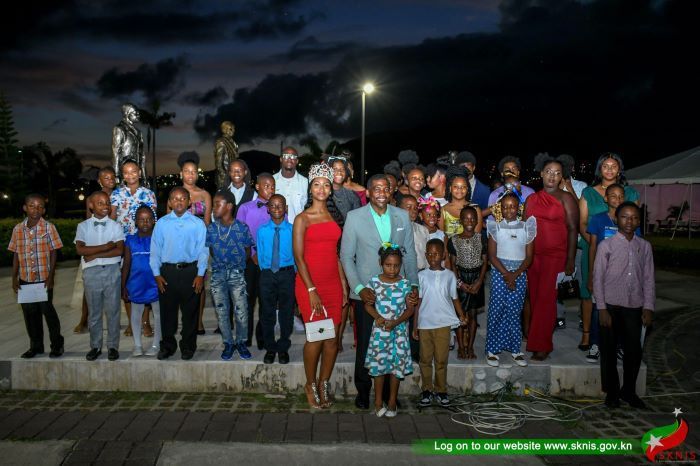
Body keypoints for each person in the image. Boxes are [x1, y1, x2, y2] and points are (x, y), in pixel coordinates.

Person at [340, 174, 419, 410]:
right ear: (368, 193)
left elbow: (410, 254)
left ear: (391, 191)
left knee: (393, 342)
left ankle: (387, 394)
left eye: (385, 188)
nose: (381, 192)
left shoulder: (401, 215)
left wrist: (413, 285)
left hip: (397, 293)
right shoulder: (355, 217)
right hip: (368, 294)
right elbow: (346, 256)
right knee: (367, 344)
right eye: (376, 188)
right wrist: (359, 288)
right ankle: (364, 391)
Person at [294, 163, 348, 409]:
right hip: (310, 285)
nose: (322, 188)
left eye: (326, 184)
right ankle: (310, 384)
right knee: (316, 338)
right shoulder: (302, 219)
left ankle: (324, 382)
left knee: (332, 340)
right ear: (310, 188)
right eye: (317, 184)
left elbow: (335, 255)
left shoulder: (334, 217)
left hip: (333, 284)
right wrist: (312, 290)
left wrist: (344, 285)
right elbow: (299, 258)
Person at [593, 202, 654, 409]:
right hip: (610, 306)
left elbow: (648, 278)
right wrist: (602, 308)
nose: (630, 221)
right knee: (609, 351)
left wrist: (648, 306)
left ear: (639, 221)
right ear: (616, 219)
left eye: (635, 217)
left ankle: (629, 391)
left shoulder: (644, 247)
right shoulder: (606, 246)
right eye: (625, 217)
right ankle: (612, 392)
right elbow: (598, 278)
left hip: (634, 306)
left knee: (633, 352)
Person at [579, 153, 639, 352]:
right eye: (605, 165)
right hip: (593, 246)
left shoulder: (630, 192)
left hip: (623, 252)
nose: (610, 169)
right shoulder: (589, 192)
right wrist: (600, 246)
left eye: (614, 166)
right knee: (590, 292)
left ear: (619, 169)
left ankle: (618, 339)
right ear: (600, 169)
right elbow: (582, 223)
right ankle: (588, 335)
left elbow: (634, 222)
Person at [525, 154, 579, 361]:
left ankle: (542, 345)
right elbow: (526, 230)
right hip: (533, 257)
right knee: (535, 298)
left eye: (557, 173)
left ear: (561, 176)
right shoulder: (531, 199)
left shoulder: (566, 198)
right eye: (548, 172)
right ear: (541, 174)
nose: (552, 176)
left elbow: (573, 229)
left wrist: (570, 260)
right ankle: (536, 339)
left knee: (546, 301)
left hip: (555, 257)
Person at [150, 187, 208, 360]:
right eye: (175, 198)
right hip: (167, 273)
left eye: (183, 198)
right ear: (169, 202)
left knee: (190, 313)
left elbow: (203, 250)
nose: (179, 201)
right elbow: (155, 250)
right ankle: (167, 346)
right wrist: (157, 274)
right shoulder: (162, 223)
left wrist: (200, 274)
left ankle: (188, 346)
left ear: (189, 202)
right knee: (167, 312)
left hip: (191, 272)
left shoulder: (197, 224)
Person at [9, 194, 64, 359]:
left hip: (43, 278)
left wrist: (51, 276)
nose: (36, 209)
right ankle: (36, 346)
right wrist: (14, 277)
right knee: (30, 314)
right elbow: (16, 254)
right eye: (32, 206)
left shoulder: (49, 228)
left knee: (48, 312)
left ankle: (57, 345)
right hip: (25, 279)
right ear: (25, 208)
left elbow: (53, 252)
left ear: (44, 210)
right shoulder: (18, 229)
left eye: (40, 206)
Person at [413, 239, 467, 407]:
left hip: (443, 324)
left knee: (441, 360)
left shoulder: (450, 276)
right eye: (429, 254)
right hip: (425, 324)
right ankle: (427, 390)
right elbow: (418, 303)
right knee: (425, 359)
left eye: (436, 254)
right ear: (425, 255)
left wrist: (462, 315)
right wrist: (415, 326)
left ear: (443, 255)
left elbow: (455, 298)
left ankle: (441, 390)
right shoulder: (421, 276)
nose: (432, 257)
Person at [484, 193, 536, 367]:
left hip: (519, 274)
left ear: (519, 208)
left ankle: (515, 348)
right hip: (500, 273)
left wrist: (515, 274)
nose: (509, 210)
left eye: (512, 206)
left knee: (514, 311)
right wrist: (507, 274)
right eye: (505, 206)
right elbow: (492, 256)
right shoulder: (495, 228)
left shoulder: (527, 227)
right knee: (497, 310)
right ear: (500, 209)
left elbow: (529, 257)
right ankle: (492, 349)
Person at [364, 244, 414, 417]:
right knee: (379, 367)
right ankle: (378, 401)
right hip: (380, 332)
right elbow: (368, 305)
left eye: (396, 266)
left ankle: (392, 401)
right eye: (388, 265)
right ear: (380, 263)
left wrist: (396, 322)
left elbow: (410, 309)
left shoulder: (405, 283)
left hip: (398, 332)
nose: (392, 269)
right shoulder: (374, 282)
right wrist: (378, 317)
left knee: (395, 368)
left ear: (401, 265)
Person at [75, 191, 125, 361]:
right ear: (91, 205)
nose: (105, 206)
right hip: (91, 273)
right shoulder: (83, 226)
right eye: (100, 203)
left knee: (113, 311)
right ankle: (95, 346)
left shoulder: (115, 226)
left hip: (112, 271)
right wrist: (105, 247)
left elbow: (119, 250)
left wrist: (94, 254)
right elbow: (80, 249)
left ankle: (113, 346)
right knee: (94, 312)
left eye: (107, 203)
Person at [110, 159, 157, 338]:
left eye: (133, 171)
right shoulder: (116, 194)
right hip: (124, 243)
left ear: (139, 172)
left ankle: (145, 322)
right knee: (128, 282)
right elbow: (112, 219)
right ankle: (132, 322)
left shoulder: (149, 194)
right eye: (126, 172)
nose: (130, 175)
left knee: (144, 281)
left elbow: (153, 220)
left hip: (143, 243)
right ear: (122, 175)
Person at [207, 190, 253, 360]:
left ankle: (241, 342)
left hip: (237, 274)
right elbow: (211, 250)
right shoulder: (212, 229)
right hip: (217, 274)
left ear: (229, 206)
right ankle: (228, 343)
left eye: (217, 204)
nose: (213, 208)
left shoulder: (242, 227)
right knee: (222, 312)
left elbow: (248, 250)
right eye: (213, 204)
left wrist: (237, 266)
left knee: (241, 311)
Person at [169, 152, 212, 335]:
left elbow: (207, 222)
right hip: (179, 246)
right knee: (181, 285)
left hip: (199, 244)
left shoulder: (204, 194)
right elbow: (169, 223)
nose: (190, 175)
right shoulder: (175, 194)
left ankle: (198, 321)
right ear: (181, 174)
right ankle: (186, 321)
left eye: (194, 171)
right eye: (187, 171)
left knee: (199, 282)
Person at [74, 166, 117, 334]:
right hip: (97, 243)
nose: (110, 180)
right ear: (99, 181)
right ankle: (84, 319)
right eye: (106, 177)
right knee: (90, 286)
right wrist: (93, 248)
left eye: (113, 177)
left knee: (119, 283)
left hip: (116, 241)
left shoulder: (120, 195)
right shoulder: (92, 198)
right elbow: (88, 221)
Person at [236, 173, 276, 349]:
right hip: (250, 261)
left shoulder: (277, 207)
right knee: (247, 301)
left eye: (273, 186)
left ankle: (263, 337)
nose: (270, 189)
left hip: (270, 262)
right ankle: (245, 337)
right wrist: (252, 253)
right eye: (266, 186)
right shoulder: (245, 208)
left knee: (267, 301)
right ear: (257, 187)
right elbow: (240, 233)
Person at [258, 194, 295, 364]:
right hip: (267, 274)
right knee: (267, 312)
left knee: (287, 312)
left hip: (287, 274)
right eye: (273, 205)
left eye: (280, 205)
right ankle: (270, 348)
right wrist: (266, 271)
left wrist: (293, 272)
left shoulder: (293, 230)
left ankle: (283, 347)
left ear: (285, 208)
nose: (277, 208)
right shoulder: (262, 230)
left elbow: (297, 253)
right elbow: (260, 254)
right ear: (268, 209)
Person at [448, 206, 488, 360]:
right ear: (460, 221)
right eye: (466, 218)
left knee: (472, 315)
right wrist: (459, 283)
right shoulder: (454, 240)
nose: (469, 221)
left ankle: (470, 347)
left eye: (472, 219)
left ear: (477, 221)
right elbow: (453, 265)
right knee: (460, 314)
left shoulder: (481, 238)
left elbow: (485, 262)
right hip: (461, 279)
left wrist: (479, 281)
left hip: (476, 278)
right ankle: (461, 347)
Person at [121, 205, 161, 357]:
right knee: (136, 314)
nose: (145, 222)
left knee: (158, 314)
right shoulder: (130, 240)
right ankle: (137, 345)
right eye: (141, 220)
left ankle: (156, 344)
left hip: (155, 283)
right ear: (136, 222)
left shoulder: (158, 239)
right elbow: (126, 264)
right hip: (136, 283)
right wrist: (123, 286)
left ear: (154, 221)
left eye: (149, 219)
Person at [554, 154, 588, 331]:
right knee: (558, 282)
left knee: (582, 282)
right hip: (559, 243)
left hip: (579, 243)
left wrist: (569, 189)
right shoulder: (551, 186)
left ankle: (584, 316)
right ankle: (559, 316)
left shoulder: (582, 186)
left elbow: (582, 212)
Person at [399, 194, 429, 362]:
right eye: (407, 207)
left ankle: (416, 350)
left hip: (420, 276)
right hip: (402, 277)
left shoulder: (423, 230)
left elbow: (426, 256)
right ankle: (402, 352)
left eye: (414, 207)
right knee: (403, 314)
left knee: (418, 316)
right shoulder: (396, 230)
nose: (412, 211)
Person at [440, 165, 483, 239]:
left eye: (463, 187)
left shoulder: (475, 209)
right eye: (456, 186)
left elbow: (477, 238)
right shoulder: (443, 210)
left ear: (467, 189)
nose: (459, 189)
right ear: (450, 188)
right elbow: (442, 237)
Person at [112, 103, 146, 185]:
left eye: (138, 113)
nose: (138, 115)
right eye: (135, 113)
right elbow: (115, 153)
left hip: (136, 174)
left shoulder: (139, 132)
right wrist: (116, 174)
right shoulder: (120, 129)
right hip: (124, 174)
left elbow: (142, 156)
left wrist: (144, 176)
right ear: (127, 114)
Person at [274, 146, 308, 224]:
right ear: (281, 159)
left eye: (293, 156)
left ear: (297, 161)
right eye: (286, 156)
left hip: (298, 227)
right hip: (276, 228)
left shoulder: (305, 182)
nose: (289, 159)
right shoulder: (272, 180)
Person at [328, 155, 361, 220]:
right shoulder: (322, 194)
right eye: (335, 169)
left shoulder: (352, 196)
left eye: (342, 169)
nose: (339, 172)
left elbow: (357, 220)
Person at [214, 121, 239, 189]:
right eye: (231, 129)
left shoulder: (233, 143)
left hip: (233, 176)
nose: (233, 130)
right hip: (225, 179)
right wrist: (225, 176)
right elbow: (218, 163)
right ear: (224, 130)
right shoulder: (221, 142)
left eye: (233, 129)